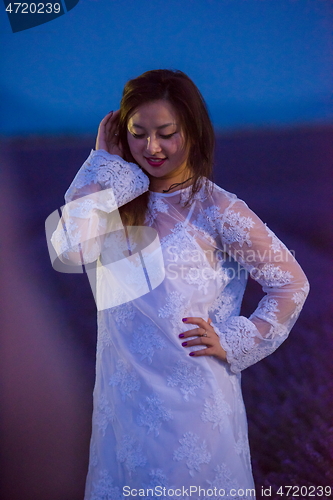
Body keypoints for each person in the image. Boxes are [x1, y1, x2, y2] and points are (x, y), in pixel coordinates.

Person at [50, 70, 309, 500]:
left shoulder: (217, 208)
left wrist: (234, 340)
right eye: (138, 133)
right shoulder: (118, 198)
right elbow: (70, 251)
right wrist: (103, 162)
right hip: (122, 410)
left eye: (167, 133)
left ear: (192, 130)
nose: (152, 147)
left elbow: (291, 284)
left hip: (193, 416)